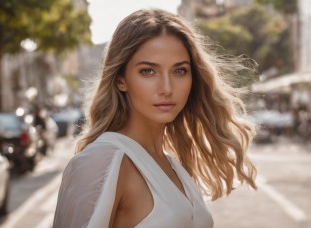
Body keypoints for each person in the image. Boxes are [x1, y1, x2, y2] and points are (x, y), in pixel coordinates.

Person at [53, 9, 257, 228]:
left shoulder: (171, 164)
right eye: (148, 71)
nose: (167, 89)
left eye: (179, 71)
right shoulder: (100, 160)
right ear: (121, 79)